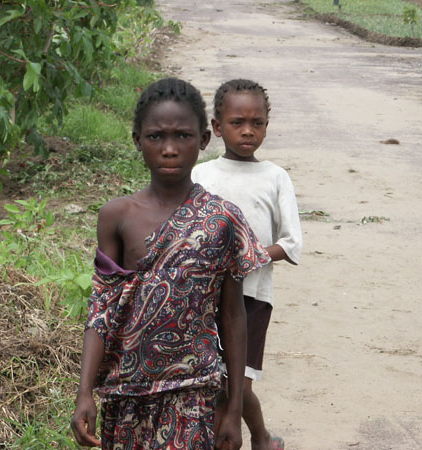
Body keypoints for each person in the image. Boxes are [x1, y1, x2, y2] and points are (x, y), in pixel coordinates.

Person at [71, 78, 270, 450]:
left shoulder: (222, 219)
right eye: (155, 137)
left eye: (182, 136)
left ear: (204, 140)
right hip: (126, 392)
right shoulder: (116, 216)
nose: (169, 149)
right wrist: (85, 393)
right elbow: (101, 309)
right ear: (136, 140)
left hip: (194, 391)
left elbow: (232, 316)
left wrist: (233, 409)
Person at [192, 79, 303, 450]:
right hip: (201, 297)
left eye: (257, 123)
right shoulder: (200, 175)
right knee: (211, 383)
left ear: (267, 127)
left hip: (251, 296)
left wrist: (250, 255)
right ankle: (261, 438)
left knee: (237, 383)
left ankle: (258, 437)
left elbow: (291, 243)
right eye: (237, 122)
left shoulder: (275, 177)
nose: (247, 131)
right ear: (217, 127)